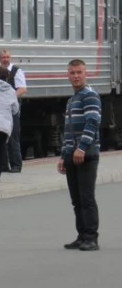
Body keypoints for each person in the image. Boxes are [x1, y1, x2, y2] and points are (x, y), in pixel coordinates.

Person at [59, 59, 101, 252]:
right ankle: (82, 235)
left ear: (86, 74)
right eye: (72, 73)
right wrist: (63, 155)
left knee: (86, 198)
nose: (75, 76)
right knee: (76, 199)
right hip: (72, 155)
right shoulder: (71, 100)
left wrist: (82, 148)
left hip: (86, 154)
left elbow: (92, 123)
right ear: (68, 75)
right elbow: (68, 130)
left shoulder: (90, 96)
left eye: (79, 72)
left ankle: (91, 238)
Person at [0, 50, 28, 173]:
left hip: (12, 108)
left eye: (7, 57)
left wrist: (9, 99)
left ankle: (16, 164)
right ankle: (4, 165)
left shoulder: (16, 71)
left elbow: (22, 89)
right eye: (3, 57)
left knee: (13, 136)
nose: (5, 59)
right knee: (2, 136)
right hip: (1, 108)